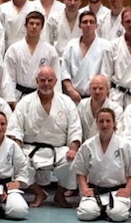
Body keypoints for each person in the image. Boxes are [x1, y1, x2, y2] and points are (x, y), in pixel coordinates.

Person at [12, 66, 82, 207]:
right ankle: (39, 192)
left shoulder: (66, 102)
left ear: (56, 82)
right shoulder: (25, 102)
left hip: (59, 149)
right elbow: (15, 129)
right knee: (17, 161)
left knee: (75, 161)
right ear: (36, 81)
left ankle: (60, 194)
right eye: (42, 80)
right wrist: (17, 148)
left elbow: (75, 129)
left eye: (50, 80)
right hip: (31, 148)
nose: (46, 83)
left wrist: (73, 148)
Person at [72, 108, 131, 222]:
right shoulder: (88, 145)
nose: (104, 124)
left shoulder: (124, 145)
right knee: (85, 214)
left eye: (108, 121)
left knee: (118, 215)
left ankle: (104, 209)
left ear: (114, 123)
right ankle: (100, 208)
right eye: (101, 121)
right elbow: (80, 171)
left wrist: (127, 189)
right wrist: (84, 188)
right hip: (95, 190)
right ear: (96, 123)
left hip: (117, 191)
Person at [3, 11, 62, 102]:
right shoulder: (14, 49)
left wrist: (55, 100)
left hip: (43, 97)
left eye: (37, 24)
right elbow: (9, 77)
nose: (34, 27)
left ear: (42, 27)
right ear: (25, 26)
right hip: (19, 98)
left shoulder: (50, 51)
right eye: (31, 23)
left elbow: (56, 77)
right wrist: (11, 101)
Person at [60, 11, 109, 102]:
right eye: (85, 22)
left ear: (96, 25)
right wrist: (70, 90)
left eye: (91, 22)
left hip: (96, 96)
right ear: (79, 25)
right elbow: (64, 71)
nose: (88, 25)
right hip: (74, 97)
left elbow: (106, 73)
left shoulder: (105, 46)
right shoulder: (71, 45)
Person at [76, 75, 121, 142]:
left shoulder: (116, 109)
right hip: (84, 147)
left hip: (107, 147)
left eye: (101, 88)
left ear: (107, 90)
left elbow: (118, 134)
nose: (97, 92)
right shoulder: (82, 105)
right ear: (89, 89)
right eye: (94, 88)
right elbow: (76, 128)